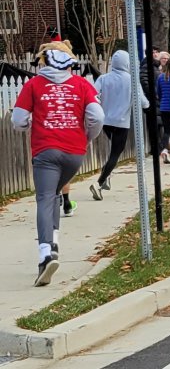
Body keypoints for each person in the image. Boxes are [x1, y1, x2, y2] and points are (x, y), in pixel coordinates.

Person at [12, 43, 104, 285]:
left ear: (45, 61)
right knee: (53, 195)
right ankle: (53, 243)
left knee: (44, 198)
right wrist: (87, 136)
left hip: (45, 150)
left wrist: (27, 126)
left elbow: (18, 119)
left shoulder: (33, 85)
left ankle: (45, 254)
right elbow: (97, 116)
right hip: (75, 152)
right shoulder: (82, 84)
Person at [90, 49, 149, 200]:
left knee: (112, 152)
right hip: (122, 122)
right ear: (127, 63)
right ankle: (99, 183)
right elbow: (143, 102)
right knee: (115, 154)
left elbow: (92, 94)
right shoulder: (132, 80)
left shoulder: (103, 78)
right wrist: (148, 105)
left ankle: (106, 176)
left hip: (105, 121)